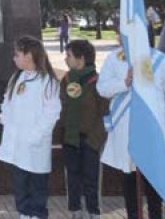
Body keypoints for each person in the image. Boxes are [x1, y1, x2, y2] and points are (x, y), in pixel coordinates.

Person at [97, 38, 165, 219]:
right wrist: (124, 83)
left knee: (154, 176)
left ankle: (155, 215)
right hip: (126, 129)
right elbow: (102, 88)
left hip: (154, 129)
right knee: (130, 176)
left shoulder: (160, 59)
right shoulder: (114, 58)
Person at [0, 36, 62, 219]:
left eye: (17, 54)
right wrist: (5, 119)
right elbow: (7, 102)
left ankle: (37, 214)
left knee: (37, 182)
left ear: (29, 56)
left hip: (35, 144)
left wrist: (35, 135)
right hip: (17, 143)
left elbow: (51, 113)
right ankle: (24, 213)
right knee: (20, 183)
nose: (14, 58)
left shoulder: (48, 82)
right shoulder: (17, 77)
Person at [58, 40, 108, 219]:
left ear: (81, 59)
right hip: (70, 138)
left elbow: (105, 113)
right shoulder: (66, 80)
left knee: (91, 177)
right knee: (72, 177)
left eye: (69, 56)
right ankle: (75, 210)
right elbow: (60, 106)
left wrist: (94, 139)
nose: (66, 59)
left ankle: (93, 211)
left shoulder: (98, 82)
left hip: (90, 139)